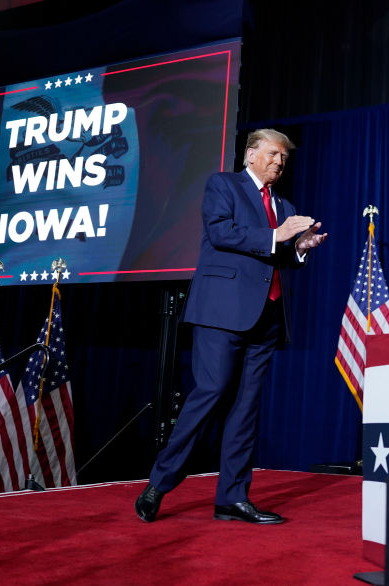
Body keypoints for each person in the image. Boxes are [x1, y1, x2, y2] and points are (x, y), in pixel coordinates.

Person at [135, 128, 328, 524]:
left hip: (268, 317)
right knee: (211, 392)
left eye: (284, 158)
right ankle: (159, 483)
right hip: (222, 313)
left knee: (246, 409)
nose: (279, 161)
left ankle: (232, 498)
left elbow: (279, 257)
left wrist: (300, 249)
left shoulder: (285, 205)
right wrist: (277, 235)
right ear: (251, 154)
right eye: (274, 154)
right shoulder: (223, 185)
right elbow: (221, 233)